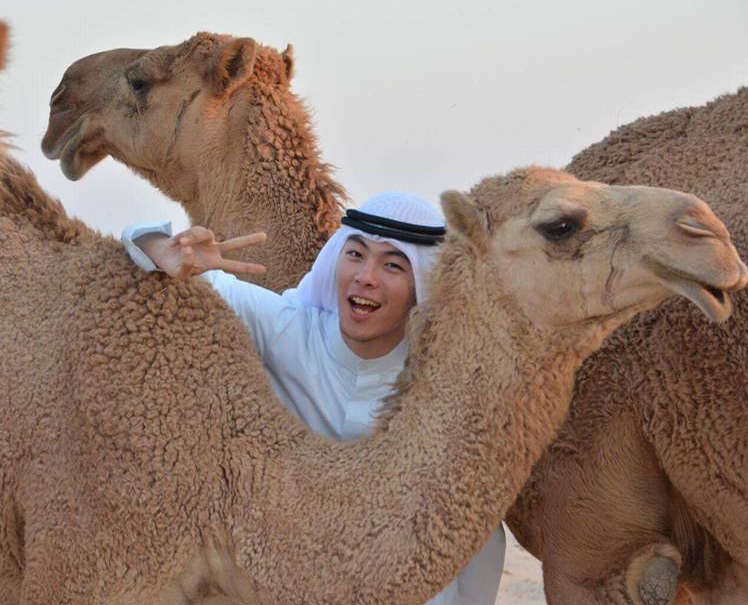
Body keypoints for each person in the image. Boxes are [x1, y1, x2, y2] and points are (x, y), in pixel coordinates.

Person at [122, 192, 506, 605]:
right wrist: (166, 250)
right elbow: (149, 256)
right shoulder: (290, 330)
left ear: (422, 285)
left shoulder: (441, 381)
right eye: (355, 254)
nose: (366, 277)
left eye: (392, 264)